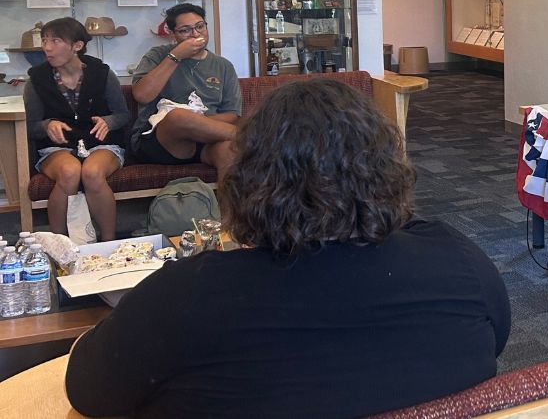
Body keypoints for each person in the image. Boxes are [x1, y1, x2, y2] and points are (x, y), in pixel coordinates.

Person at [65, 78, 511, 419]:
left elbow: (88, 389)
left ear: (247, 178)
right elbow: (496, 342)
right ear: (389, 166)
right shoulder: (457, 262)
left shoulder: (188, 294)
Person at [22, 17, 128, 241]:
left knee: (92, 172)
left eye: (56, 40)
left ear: (77, 46)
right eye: (44, 40)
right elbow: (30, 127)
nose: (47, 47)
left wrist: (108, 122)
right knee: (70, 173)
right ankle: (59, 246)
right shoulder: (37, 80)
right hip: (57, 148)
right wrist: (47, 125)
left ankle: (108, 244)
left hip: (101, 143)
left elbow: (123, 115)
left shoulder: (102, 73)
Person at [129, 3, 239, 178]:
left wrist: (196, 124)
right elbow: (141, 95)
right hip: (159, 139)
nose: (196, 34)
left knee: (228, 152)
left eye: (200, 26)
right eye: (185, 30)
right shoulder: (157, 55)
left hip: (205, 141)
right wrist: (176, 56)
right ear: (173, 34)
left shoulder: (223, 66)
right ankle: (255, 138)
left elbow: (232, 114)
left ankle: (227, 205)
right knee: (178, 116)